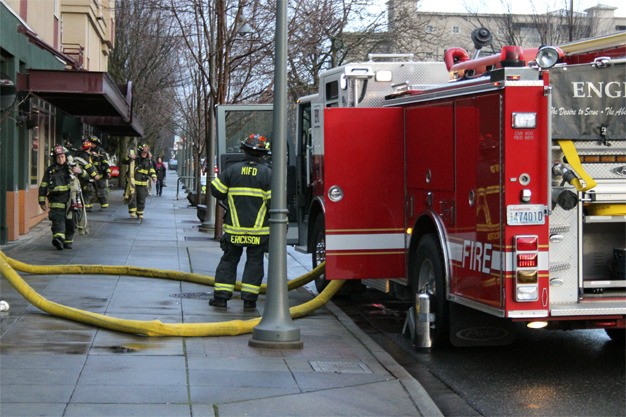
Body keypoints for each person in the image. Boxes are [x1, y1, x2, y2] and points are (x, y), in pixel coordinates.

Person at [209, 134, 272, 310]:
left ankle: (221, 298)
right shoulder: (268, 174)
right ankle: (249, 301)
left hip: (234, 230)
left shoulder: (232, 171)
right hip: (258, 232)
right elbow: (274, 203)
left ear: (244, 151)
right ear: (262, 154)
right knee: (255, 262)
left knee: (229, 261)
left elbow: (216, 191)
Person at [38, 145, 87, 250]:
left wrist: (80, 172)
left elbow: (86, 177)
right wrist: (41, 201)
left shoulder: (72, 168)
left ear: (66, 157)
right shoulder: (50, 170)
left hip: (72, 200)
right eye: (58, 157)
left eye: (62, 157)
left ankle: (68, 240)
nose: (60, 159)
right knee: (58, 220)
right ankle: (58, 239)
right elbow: (43, 185)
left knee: (71, 222)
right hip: (56, 201)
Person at [123, 143, 156, 219]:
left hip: (143, 184)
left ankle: (140, 213)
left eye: (146, 152)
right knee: (132, 197)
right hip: (133, 183)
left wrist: (154, 177)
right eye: (144, 151)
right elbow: (124, 161)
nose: (145, 154)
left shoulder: (149, 161)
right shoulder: (135, 158)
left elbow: (151, 170)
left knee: (142, 198)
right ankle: (132, 212)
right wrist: (129, 157)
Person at [73, 140, 99, 211]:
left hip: (83, 177)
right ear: (90, 148)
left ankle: (87, 207)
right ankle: (84, 208)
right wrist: (95, 176)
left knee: (89, 192)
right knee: (88, 192)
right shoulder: (85, 156)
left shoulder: (84, 155)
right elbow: (88, 167)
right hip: (85, 178)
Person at [88, 136, 111, 209]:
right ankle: (88, 205)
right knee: (89, 190)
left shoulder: (100, 151)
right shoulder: (87, 150)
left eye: (92, 143)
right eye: (90, 142)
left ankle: (104, 205)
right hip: (90, 174)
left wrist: (108, 172)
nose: (91, 144)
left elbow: (105, 162)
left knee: (101, 191)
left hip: (100, 175)